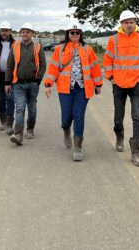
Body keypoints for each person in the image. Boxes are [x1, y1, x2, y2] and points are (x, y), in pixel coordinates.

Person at [44, 22, 103, 161]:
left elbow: (95, 67)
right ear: (68, 34)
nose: (75, 35)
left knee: (79, 115)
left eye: (77, 33)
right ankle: (66, 131)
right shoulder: (59, 49)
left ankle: (77, 147)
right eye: (72, 33)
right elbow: (53, 67)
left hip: (82, 88)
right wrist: (48, 84)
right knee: (66, 117)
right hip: (65, 89)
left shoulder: (88, 49)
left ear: (80, 34)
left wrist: (98, 83)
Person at [103, 10, 139, 166]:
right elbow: (107, 60)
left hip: (136, 84)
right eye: (126, 22)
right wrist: (111, 77)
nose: (129, 24)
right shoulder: (113, 40)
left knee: (137, 117)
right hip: (118, 84)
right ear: (121, 24)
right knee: (118, 117)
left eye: (132, 22)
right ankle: (119, 137)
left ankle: (136, 152)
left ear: (135, 23)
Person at [5, 23, 47, 146]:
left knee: (32, 108)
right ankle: (18, 134)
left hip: (33, 84)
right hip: (18, 84)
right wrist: (7, 82)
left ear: (32, 33)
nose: (25, 34)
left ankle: (30, 129)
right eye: (23, 31)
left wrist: (38, 80)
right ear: (20, 33)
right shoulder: (15, 46)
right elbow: (10, 65)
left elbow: (43, 65)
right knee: (20, 108)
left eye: (28, 32)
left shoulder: (38, 47)